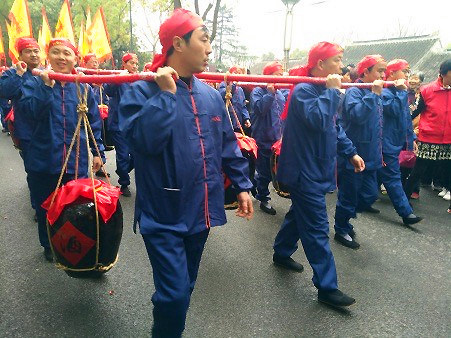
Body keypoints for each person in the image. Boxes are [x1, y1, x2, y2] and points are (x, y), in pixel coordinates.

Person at [119, 9, 253, 337]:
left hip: (201, 210)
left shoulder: (209, 94)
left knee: (185, 286)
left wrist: (242, 185)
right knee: (175, 294)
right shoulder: (141, 90)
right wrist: (165, 95)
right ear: (178, 43)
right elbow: (143, 142)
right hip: (162, 214)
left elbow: (226, 146)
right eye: (204, 40)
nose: (209, 49)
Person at [273, 42, 364, 308]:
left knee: (298, 215)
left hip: (317, 169)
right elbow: (319, 119)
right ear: (320, 65)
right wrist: (333, 92)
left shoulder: (325, 91)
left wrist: (351, 152)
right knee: (316, 229)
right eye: (336, 60)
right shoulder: (303, 91)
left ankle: (281, 252)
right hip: (304, 172)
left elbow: (334, 128)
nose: (342, 66)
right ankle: (327, 287)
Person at [19, 38, 104, 262]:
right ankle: (48, 244)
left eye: (67, 53)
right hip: (42, 160)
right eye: (56, 52)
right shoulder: (35, 82)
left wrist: (98, 153)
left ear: (75, 59)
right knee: (45, 207)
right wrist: (47, 88)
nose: (61, 58)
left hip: (75, 161)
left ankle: (72, 248)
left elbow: (94, 122)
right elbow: (29, 113)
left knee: (75, 209)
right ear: (49, 56)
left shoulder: (83, 87)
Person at [334, 55, 386, 249]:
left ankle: (345, 218)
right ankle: (341, 227)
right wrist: (373, 95)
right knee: (349, 195)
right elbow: (358, 116)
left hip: (371, 155)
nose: (383, 75)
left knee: (370, 195)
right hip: (354, 155)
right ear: (366, 72)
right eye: (379, 71)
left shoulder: (376, 92)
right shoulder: (354, 92)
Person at [0, 37, 41, 215]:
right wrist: (18, 74)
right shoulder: (12, 73)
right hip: (27, 132)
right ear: (20, 55)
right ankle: (38, 206)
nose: (33, 54)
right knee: (33, 170)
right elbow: (5, 92)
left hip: (50, 130)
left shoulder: (47, 72)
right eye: (28, 51)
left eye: (36, 51)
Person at [378, 59, 422, 225]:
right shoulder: (384, 92)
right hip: (386, 143)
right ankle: (406, 213)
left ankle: (362, 202)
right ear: (392, 74)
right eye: (404, 71)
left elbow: (405, 120)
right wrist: (402, 93)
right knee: (393, 178)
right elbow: (394, 110)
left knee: (379, 178)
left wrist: (412, 139)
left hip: (395, 143)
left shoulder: (399, 92)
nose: (407, 76)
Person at [404, 59, 451, 210]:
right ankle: (404, 201)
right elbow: (414, 112)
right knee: (418, 171)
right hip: (429, 138)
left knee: (448, 172)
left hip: (449, 139)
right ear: (443, 73)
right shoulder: (427, 91)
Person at [250, 61, 286, 215]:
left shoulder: (280, 93)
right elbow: (260, 110)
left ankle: (256, 183)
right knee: (265, 171)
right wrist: (269, 94)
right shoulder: (258, 91)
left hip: (277, 140)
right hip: (263, 138)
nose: (281, 78)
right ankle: (263, 196)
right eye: (278, 75)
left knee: (273, 169)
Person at [104, 53, 138, 197]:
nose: (134, 66)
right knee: (123, 156)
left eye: (136, 63)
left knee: (137, 156)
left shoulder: (138, 79)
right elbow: (108, 90)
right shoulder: (117, 77)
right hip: (118, 125)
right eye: (131, 63)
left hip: (135, 125)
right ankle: (124, 182)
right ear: (124, 64)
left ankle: (123, 170)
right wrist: (118, 78)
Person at [83, 53, 113, 176]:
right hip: (84, 112)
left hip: (99, 112)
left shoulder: (99, 75)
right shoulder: (82, 77)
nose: (95, 63)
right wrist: (91, 85)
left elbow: (107, 93)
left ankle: (100, 162)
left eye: (96, 61)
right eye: (92, 61)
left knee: (98, 135)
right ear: (85, 64)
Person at [218, 66, 251, 132]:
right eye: (235, 73)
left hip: (238, 123)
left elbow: (243, 106)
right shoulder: (223, 84)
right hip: (226, 121)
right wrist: (232, 85)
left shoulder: (240, 89)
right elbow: (222, 95)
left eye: (239, 73)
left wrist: (246, 118)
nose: (237, 75)